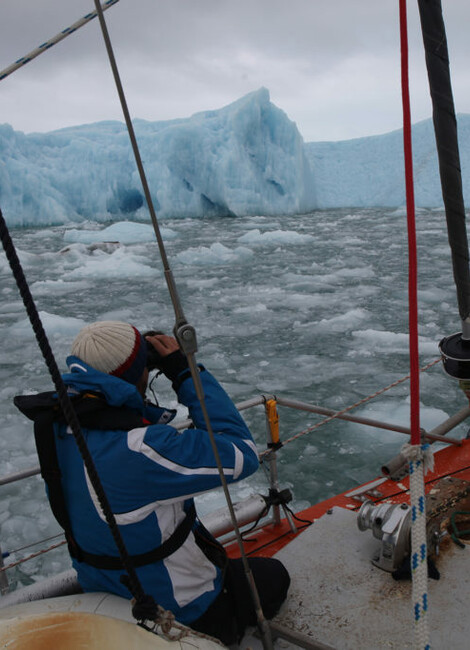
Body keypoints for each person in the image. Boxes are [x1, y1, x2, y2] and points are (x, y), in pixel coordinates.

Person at [15, 320, 289, 645]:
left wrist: (133, 377)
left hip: (106, 592)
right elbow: (240, 453)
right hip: (178, 610)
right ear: (137, 373)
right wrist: (185, 371)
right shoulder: (141, 449)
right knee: (274, 577)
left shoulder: (57, 425)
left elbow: (117, 413)